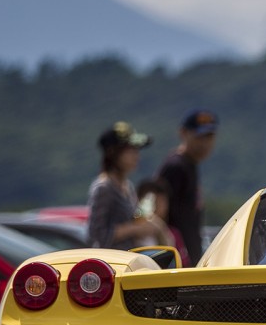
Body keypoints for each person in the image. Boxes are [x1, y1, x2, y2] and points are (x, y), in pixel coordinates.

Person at [86, 122, 168, 250]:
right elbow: (96, 236)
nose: (136, 156)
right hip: (111, 263)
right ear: (113, 153)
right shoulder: (103, 187)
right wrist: (136, 229)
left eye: (137, 150)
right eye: (131, 150)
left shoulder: (127, 186)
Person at [156, 109, 218, 264]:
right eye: (199, 137)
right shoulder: (175, 167)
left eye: (209, 137)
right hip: (175, 259)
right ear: (183, 133)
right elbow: (157, 213)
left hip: (188, 256)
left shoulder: (190, 165)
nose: (205, 143)